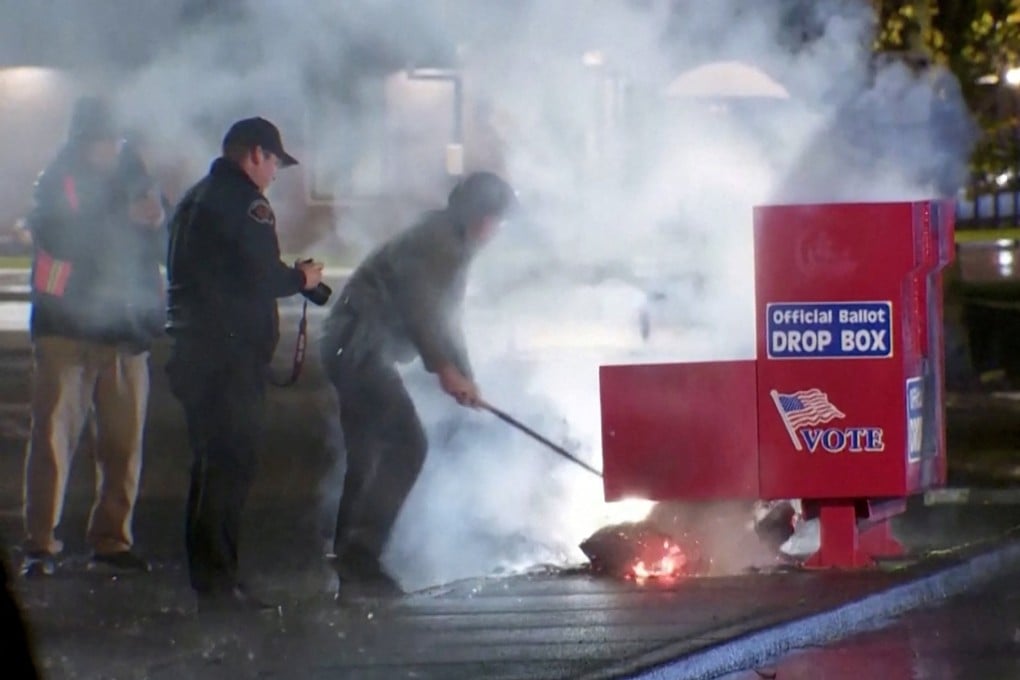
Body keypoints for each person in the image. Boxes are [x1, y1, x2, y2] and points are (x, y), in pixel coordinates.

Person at [320, 171, 517, 595]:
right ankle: (361, 555)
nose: (496, 230)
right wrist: (445, 368)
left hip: (351, 345)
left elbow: (447, 321)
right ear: (477, 215)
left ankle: (349, 556)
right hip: (359, 347)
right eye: (495, 219)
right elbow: (421, 309)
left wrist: (466, 375)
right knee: (408, 444)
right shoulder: (438, 243)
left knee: (367, 451)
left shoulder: (451, 243)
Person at [164, 117, 325, 611]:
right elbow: (258, 275)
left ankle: (208, 578)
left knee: (209, 466)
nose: (275, 172)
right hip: (227, 359)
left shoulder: (195, 197)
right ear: (255, 154)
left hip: (194, 351)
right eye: (274, 161)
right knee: (231, 467)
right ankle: (219, 583)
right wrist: (301, 278)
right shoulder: (247, 203)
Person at [21, 96, 166, 578]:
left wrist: (154, 220)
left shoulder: (135, 174)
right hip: (66, 331)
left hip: (124, 331)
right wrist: (124, 220)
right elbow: (62, 235)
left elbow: (154, 235)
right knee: (53, 441)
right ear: (82, 140)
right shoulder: (56, 180)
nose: (109, 148)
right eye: (102, 140)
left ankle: (112, 539)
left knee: (124, 446)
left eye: (114, 139)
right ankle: (41, 543)